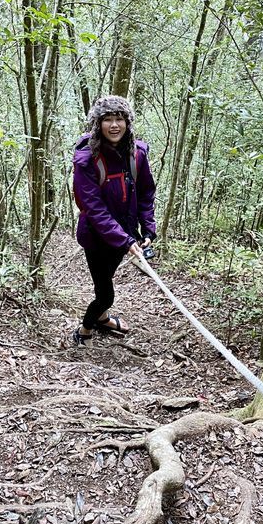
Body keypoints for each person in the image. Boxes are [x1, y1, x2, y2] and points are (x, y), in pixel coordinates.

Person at [71, 95, 157, 347]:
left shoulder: (137, 155)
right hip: (96, 238)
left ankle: (103, 317)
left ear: (127, 122)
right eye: (107, 119)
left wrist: (148, 228)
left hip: (126, 234)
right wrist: (125, 239)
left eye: (119, 118)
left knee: (107, 278)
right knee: (105, 292)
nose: (114, 125)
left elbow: (145, 193)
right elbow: (93, 208)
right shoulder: (86, 160)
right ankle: (86, 327)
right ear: (98, 124)